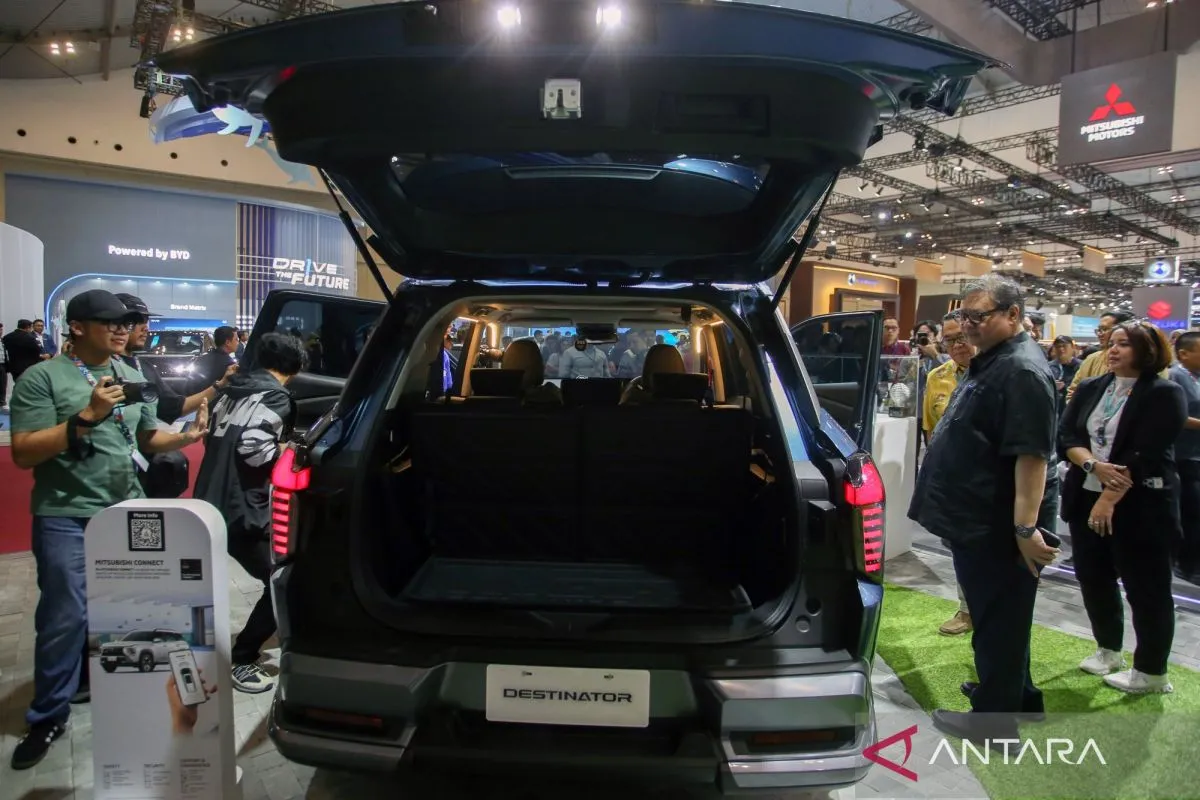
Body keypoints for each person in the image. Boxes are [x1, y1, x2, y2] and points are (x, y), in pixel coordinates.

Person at [9, 290, 207, 770]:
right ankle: (47, 716)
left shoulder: (131, 374)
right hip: (66, 514)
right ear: (77, 327)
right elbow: (24, 451)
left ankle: (128, 698)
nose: (122, 330)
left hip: (126, 511)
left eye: (126, 322)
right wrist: (86, 417)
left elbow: (145, 438)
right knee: (64, 617)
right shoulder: (43, 378)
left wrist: (185, 437)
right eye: (110, 322)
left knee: (133, 613)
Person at [909, 274, 1060, 742]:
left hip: (995, 525)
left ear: (1013, 314)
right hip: (980, 518)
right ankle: (1018, 698)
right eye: (963, 314)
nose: (967, 324)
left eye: (978, 315)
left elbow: (1032, 457)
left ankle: (995, 724)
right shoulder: (996, 360)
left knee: (997, 622)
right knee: (1003, 619)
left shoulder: (1022, 371)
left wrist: (1024, 529)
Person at [1059, 321, 1184, 693]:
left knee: (1146, 588)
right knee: (1093, 577)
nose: (1113, 350)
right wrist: (1091, 465)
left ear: (1148, 350)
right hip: (1085, 494)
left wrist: (1108, 498)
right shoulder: (1092, 387)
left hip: (1141, 505)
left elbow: (1146, 452)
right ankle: (1108, 649)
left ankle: (1151, 671)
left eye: (1124, 344)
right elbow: (1067, 435)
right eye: (1111, 343)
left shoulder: (1164, 393)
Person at [194, 332, 307, 694]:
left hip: (209, 501)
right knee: (284, 583)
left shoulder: (232, 391)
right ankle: (242, 657)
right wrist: (289, 453)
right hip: (241, 507)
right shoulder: (275, 396)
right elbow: (254, 449)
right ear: (296, 366)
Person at [920, 314, 977, 635]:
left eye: (961, 338)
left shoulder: (996, 374)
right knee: (959, 546)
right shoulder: (937, 376)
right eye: (949, 340)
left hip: (989, 478)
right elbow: (931, 431)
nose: (956, 346)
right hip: (953, 478)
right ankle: (967, 609)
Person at [115, 294, 236, 424]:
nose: (145, 328)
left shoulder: (143, 367)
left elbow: (172, 408)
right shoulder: (108, 367)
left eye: (146, 321)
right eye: (134, 321)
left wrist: (220, 385)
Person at [1171, 331, 1200, 584]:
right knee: (1190, 511)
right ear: (1184, 354)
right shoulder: (1176, 376)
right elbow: (1175, 415)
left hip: (1195, 455)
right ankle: (1186, 564)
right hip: (1184, 456)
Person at [1065, 311, 1132, 403]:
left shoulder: (1137, 365)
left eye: (1105, 329)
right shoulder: (1092, 360)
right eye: (1099, 330)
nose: (1100, 334)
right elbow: (1073, 392)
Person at [186, 326, 239, 394]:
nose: (238, 343)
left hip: (192, 398)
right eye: (236, 340)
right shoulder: (229, 365)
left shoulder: (201, 358)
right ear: (228, 342)